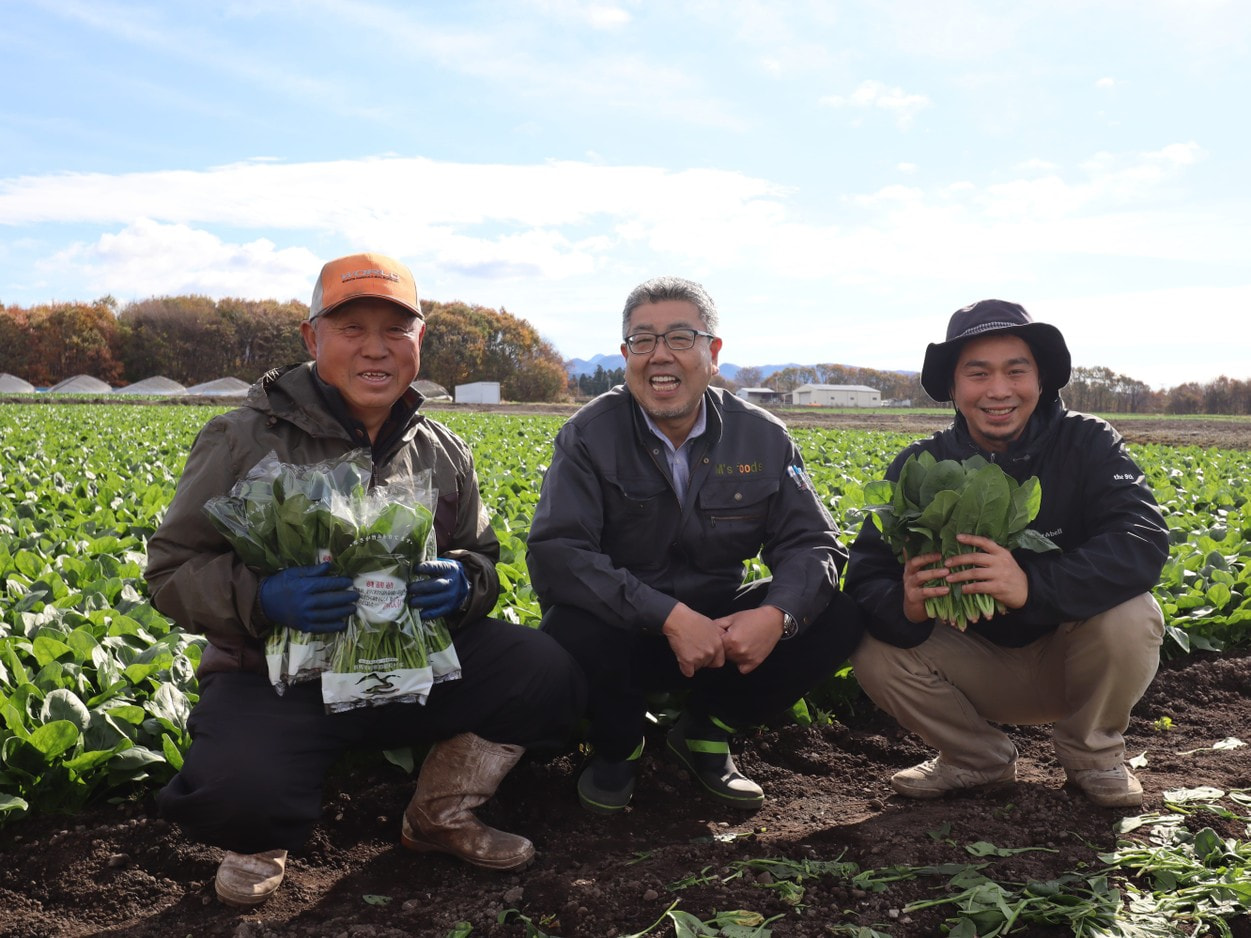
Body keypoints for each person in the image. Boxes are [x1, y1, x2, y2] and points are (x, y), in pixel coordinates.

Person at [145, 252, 585, 907]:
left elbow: (482, 555)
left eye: (395, 330)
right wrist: (263, 597)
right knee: (237, 786)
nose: (375, 349)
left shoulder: (440, 448)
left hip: (405, 668)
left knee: (541, 667)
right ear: (311, 336)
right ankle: (260, 837)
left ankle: (438, 815)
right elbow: (171, 572)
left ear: (419, 340)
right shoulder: (240, 439)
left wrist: (465, 581)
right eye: (351, 329)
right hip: (277, 675)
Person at [526, 276, 863, 815]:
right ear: (625, 354)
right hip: (625, 630)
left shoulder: (764, 437)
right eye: (643, 341)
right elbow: (558, 553)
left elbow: (813, 543)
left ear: (713, 352)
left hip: (719, 635)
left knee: (837, 614)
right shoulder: (588, 435)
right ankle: (618, 744)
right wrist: (668, 617)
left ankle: (706, 732)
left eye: (680, 338)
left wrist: (775, 614)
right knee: (571, 624)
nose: (660, 356)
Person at [844, 299, 1168, 808]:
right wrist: (902, 604)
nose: (998, 390)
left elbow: (1142, 541)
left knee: (1133, 611)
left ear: (1041, 381)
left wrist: (1031, 587)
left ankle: (1094, 756)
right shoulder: (919, 463)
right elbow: (865, 577)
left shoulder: (1088, 442)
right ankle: (976, 759)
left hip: (1075, 658)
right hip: (972, 665)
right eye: (978, 373)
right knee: (868, 640)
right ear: (953, 388)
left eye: (1016, 371)